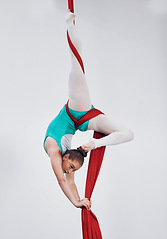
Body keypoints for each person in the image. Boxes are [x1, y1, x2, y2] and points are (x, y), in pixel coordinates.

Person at [43, 11, 134, 211]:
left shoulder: (55, 151)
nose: (70, 171)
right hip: (85, 121)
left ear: (65, 159)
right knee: (129, 134)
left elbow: (63, 181)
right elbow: (70, 182)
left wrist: (77, 202)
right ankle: (95, 144)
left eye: (72, 169)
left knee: (76, 64)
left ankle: (70, 23)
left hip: (75, 111)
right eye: (73, 168)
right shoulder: (68, 157)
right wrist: (79, 200)